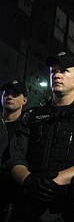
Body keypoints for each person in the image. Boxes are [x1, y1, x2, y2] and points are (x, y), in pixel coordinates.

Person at [7, 51, 74, 221]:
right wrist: (29, 180)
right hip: (30, 206)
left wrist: (54, 181)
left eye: (64, 70)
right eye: (53, 71)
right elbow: (15, 156)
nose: (57, 75)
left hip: (70, 208)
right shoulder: (32, 115)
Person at [0, 80, 28, 221]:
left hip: (14, 193)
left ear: (24, 100)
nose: (9, 97)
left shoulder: (27, 128)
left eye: (15, 94)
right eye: (6, 94)